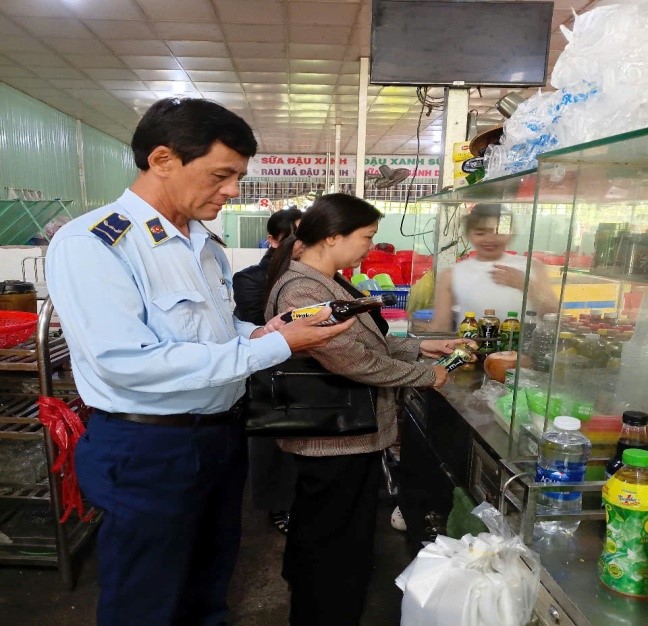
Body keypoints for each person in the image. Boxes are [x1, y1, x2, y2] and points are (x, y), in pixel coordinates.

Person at [44, 97, 355, 626]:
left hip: (219, 435)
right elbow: (127, 362)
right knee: (148, 597)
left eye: (238, 177)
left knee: (209, 579)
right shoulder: (95, 244)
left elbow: (212, 330)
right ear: (162, 160)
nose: (233, 190)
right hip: (148, 447)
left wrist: (264, 331)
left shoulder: (203, 244)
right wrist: (276, 347)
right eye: (221, 175)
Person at [264, 193, 476, 626]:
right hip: (331, 438)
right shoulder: (304, 288)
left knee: (338, 531)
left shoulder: (328, 280)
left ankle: (328, 606)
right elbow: (351, 360)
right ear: (332, 236)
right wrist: (425, 375)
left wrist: (423, 348)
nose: (370, 246)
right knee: (331, 538)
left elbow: (368, 343)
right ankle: (322, 614)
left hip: (346, 436)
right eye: (366, 237)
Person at [233, 207, 303, 534]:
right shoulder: (250, 278)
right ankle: (279, 503)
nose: (301, 244)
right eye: (293, 237)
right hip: (271, 371)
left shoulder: (320, 274)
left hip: (310, 368)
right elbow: (255, 323)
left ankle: (300, 500)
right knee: (273, 443)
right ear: (273, 240)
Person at [431, 203, 558, 331]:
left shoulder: (533, 267)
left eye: (499, 232)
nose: (490, 239)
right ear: (468, 235)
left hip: (526, 344)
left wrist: (526, 286)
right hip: (473, 343)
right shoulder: (452, 274)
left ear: (511, 234)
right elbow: (440, 327)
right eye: (480, 233)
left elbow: (553, 315)